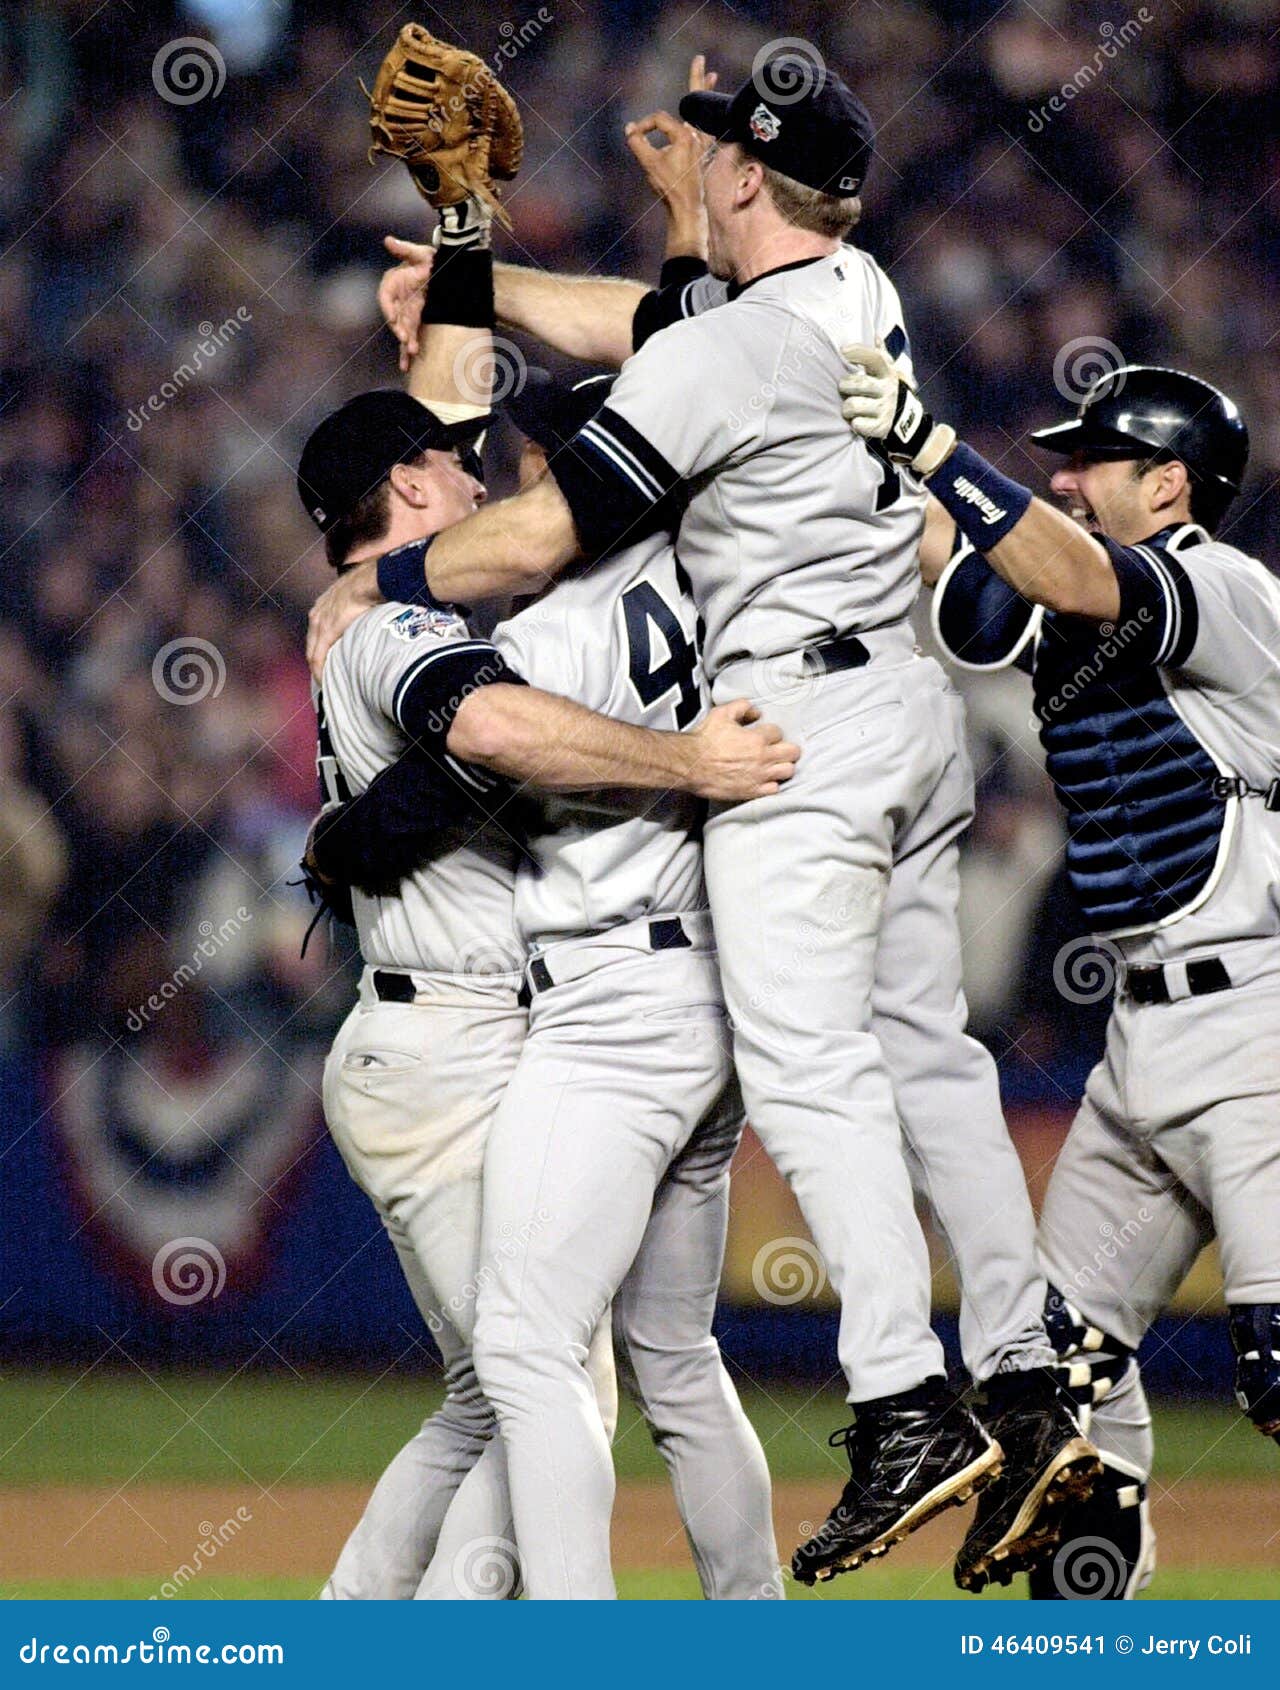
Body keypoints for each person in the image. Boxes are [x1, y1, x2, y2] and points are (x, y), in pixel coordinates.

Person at [306, 54, 1097, 1591]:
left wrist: (378, 614)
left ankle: (868, 1427)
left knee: (529, 1358)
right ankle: (773, 1586)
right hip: (741, 928)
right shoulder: (832, 311)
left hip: (597, 1003)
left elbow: (478, 677)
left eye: (531, 453)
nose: (505, 459)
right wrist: (522, 229)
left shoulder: (508, 608)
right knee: (675, 1341)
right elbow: (647, 344)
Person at [307, 193, 787, 1600]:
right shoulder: (431, 613)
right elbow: (482, 728)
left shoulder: (493, 610)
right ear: (403, 493)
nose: (482, 481)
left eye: (508, 466)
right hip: (474, 1033)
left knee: (505, 1385)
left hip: (537, 1019)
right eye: (455, 472)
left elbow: (449, 442)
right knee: (563, 1379)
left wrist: (467, 239)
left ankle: (386, 1630)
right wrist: (683, 225)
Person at [842, 349, 1280, 1598]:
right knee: (1049, 1387)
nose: (1068, 478)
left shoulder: (1223, 585)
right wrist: (834, 413)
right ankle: (1092, 1635)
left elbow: (1066, 565)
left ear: (1169, 482)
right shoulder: (1069, 596)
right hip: (1138, 1044)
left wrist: (930, 441)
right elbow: (961, 559)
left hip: (1252, 1023)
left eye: (1091, 460)